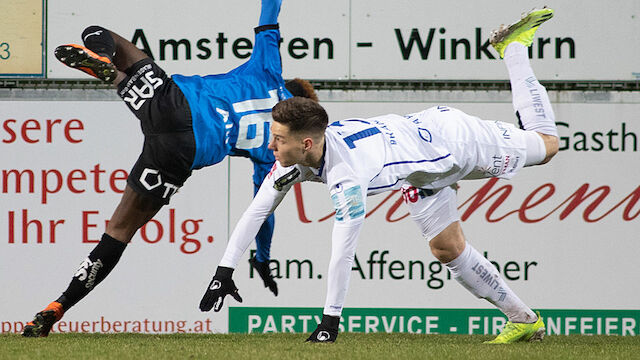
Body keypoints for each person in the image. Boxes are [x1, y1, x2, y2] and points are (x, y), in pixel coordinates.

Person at [199, 8, 559, 344]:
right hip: (421, 174)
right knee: (446, 248)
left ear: (305, 143)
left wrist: (330, 320)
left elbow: (343, 249)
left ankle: (512, 47)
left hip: (458, 143)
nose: (270, 145)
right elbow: (258, 210)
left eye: (277, 139)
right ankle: (524, 320)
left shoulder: (347, 178)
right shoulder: (294, 157)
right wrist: (224, 271)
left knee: (548, 146)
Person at [22, 0, 316, 337]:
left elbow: (270, 12)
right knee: (119, 231)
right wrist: (262, 258)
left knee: (102, 36)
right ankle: (58, 306)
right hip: (182, 155)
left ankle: (110, 66)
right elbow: (263, 210)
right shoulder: (276, 149)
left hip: (176, 104)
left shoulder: (268, 68)